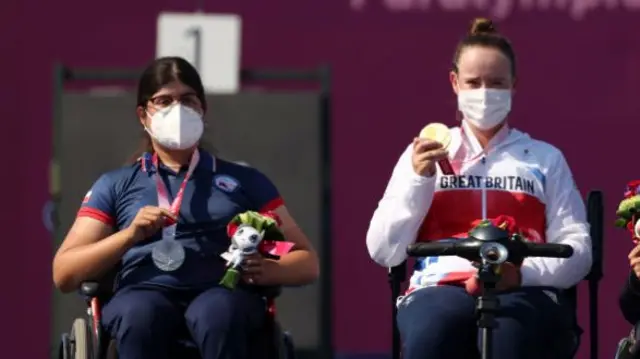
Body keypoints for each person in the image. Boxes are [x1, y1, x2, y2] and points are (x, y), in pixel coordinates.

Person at [52, 56, 319, 359]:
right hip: (143, 291)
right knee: (141, 315)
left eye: (188, 100)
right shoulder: (116, 184)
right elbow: (65, 272)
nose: (177, 110)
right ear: (143, 114)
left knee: (216, 314)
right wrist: (128, 236)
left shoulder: (244, 181)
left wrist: (268, 269)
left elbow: (306, 261)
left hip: (221, 292)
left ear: (203, 110)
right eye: (164, 101)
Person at [366, 18, 592, 359]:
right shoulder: (423, 154)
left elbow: (578, 249)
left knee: (511, 339)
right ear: (454, 83)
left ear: (514, 85)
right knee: (435, 333)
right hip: (440, 287)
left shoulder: (545, 159)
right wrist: (418, 180)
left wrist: (519, 275)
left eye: (496, 83)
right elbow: (384, 251)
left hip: (523, 290)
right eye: (473, 82)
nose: (485, 93)